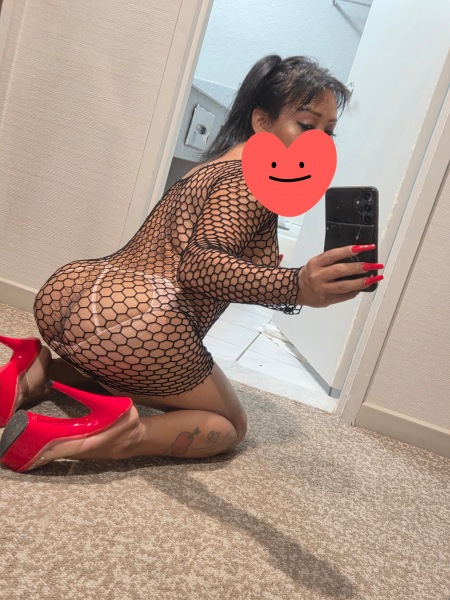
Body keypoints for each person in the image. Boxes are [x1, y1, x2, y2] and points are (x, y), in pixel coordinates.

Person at [0, 55, 383, 472]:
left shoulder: (214, 167)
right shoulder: (252, 180)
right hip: (142, 320)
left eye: (329, 132)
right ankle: (114, 434)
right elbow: (198, 265)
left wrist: (265, 269)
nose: (320, 142)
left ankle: (34, 373)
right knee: (229, 425)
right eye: (307, 126)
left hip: (71, 293)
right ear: (261, 121)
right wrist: (296, 286)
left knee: (119, 363)